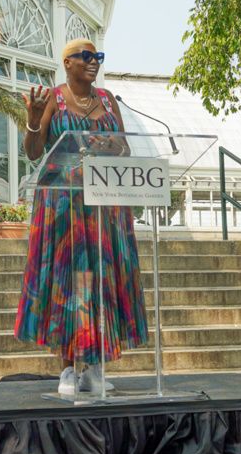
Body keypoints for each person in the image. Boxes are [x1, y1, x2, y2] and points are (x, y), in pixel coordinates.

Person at [14, 38, 148, 395]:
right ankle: (68, 369)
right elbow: (33, 152)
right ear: (67, 63)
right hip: (63, 206)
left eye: (97, 56)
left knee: (100, 281)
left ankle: (94, 368)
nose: (93, 62)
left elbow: (125, 147)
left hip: (104, 207)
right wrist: (31, 120)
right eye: (86, 57)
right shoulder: (54, 100)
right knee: (69, 282)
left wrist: (110, 145)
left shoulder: (107, 101)